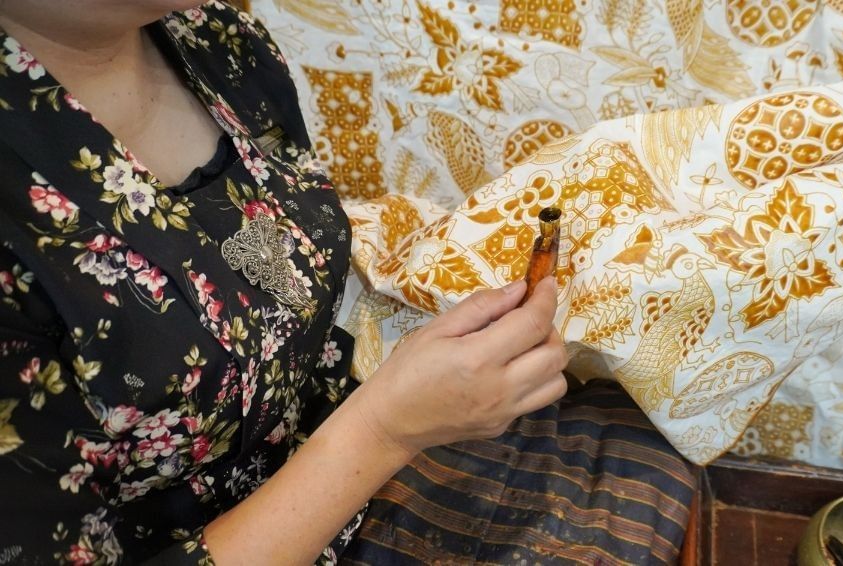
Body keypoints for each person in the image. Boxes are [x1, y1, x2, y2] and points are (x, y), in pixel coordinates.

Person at [0, 1, 694, 564]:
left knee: (648, 456)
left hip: (333, 443)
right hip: (273, 516)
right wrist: (384, 427)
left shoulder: (216, 38)